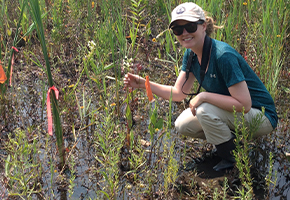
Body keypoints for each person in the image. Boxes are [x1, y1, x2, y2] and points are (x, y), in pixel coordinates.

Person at [123, 2, 277, 171]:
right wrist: (143, 84)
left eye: (190, 26)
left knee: (204, 109)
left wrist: (204, 96)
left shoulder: (223, 55)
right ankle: (231, 144)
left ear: (203, 26)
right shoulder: (191, 54)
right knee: (183, 124)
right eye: (178, 30)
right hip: (237, 114)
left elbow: (245, 105)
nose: (184, 33)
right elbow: (178, 93)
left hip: (261, 116)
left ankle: (232, 159)